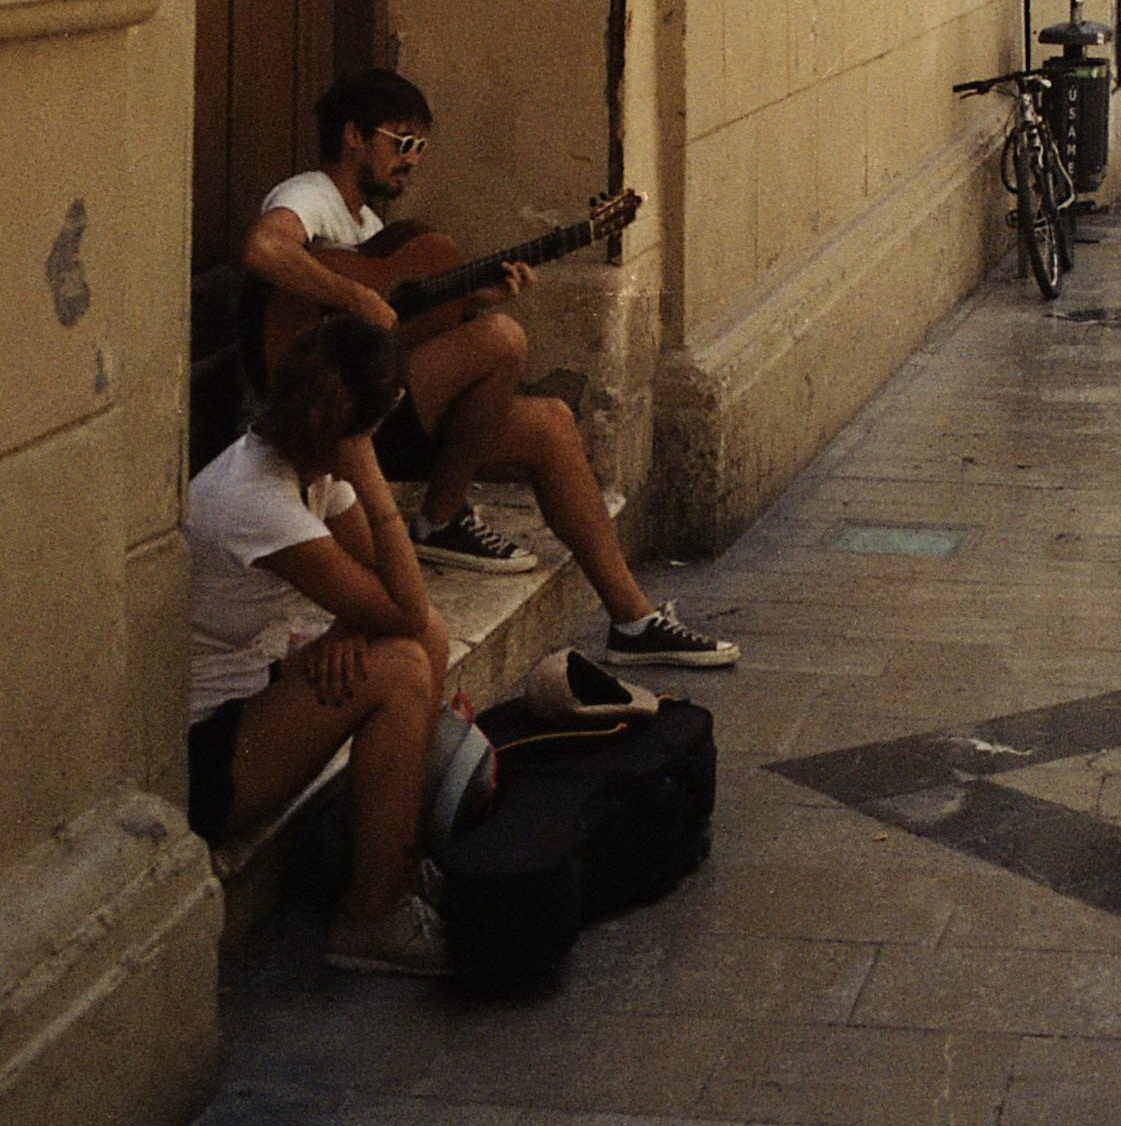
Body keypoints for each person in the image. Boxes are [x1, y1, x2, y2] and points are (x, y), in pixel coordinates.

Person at [242, 68, 735, 668]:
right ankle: (442, 517)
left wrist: (475, 302)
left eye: (419, 147)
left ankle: (634, 620)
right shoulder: (309, 196)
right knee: (502, 340)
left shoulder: (370, 230)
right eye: (402, 143)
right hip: (330, 412)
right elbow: (265, 250)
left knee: (552, 420)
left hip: (387, 416)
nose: (413, 161)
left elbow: (402, 327)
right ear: (352, 136)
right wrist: (356, 299)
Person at [185, 314, 451, 971]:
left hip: (250, 696)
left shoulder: (308, 465)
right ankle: (370, 914)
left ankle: (387, 854)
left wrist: (349, 624)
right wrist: (372, 474)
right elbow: (408, 604)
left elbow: (397, 599)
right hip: (198, 759)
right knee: (400, 669)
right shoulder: (256, 499)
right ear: (368, 423)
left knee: (420, 644)